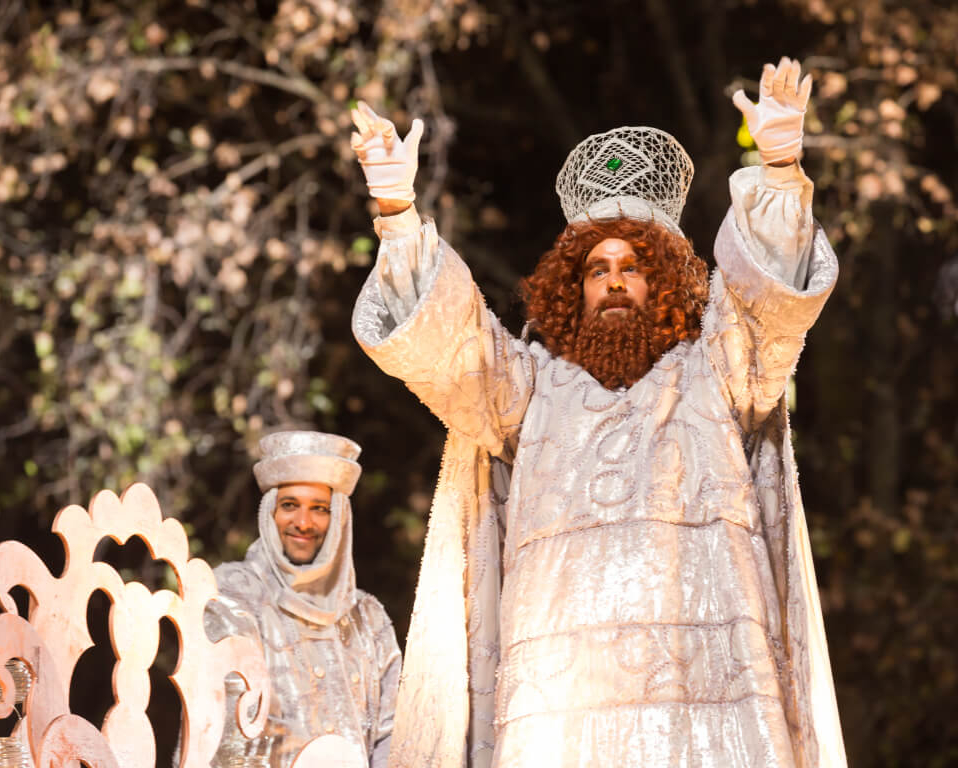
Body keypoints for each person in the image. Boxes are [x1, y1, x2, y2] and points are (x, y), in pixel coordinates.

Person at [349, 58, 847, 767]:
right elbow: (449, 343)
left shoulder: (716, 370)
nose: (613, 281)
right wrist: (398, 218)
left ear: (666, 279)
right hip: (560, 713)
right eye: (595, 270)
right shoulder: (528, 391)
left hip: (706, 711)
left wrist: (779, 168)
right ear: (567, 290)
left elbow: (770, 305)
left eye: (632, 267)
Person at [204, 430, 400, 768]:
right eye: (290, 505)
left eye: (320, 508)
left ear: (339, 517)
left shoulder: (368, 617)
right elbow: (222, 730)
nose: (304, 522)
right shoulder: (235, 594)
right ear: (270, 513)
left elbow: (392, 734)